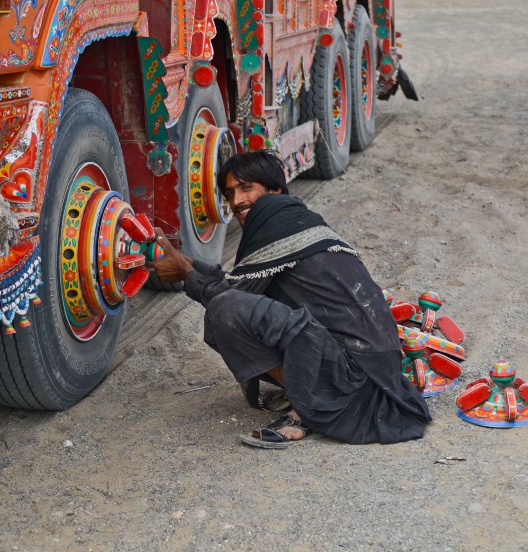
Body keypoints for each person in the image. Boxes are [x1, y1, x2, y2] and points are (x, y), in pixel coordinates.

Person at [149, 151, 431, 448]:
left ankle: (311, 406)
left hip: (359, 377)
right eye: (230, 193)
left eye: (247, 188)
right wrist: (183, 263)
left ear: (275, 191)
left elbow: (233, 298)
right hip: (368, 368)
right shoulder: (292, 220)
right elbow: (238, 283)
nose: (237, 201)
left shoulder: (275, 220)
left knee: (226, 309)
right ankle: (313, 393)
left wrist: (184, 271)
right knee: (236, 305)